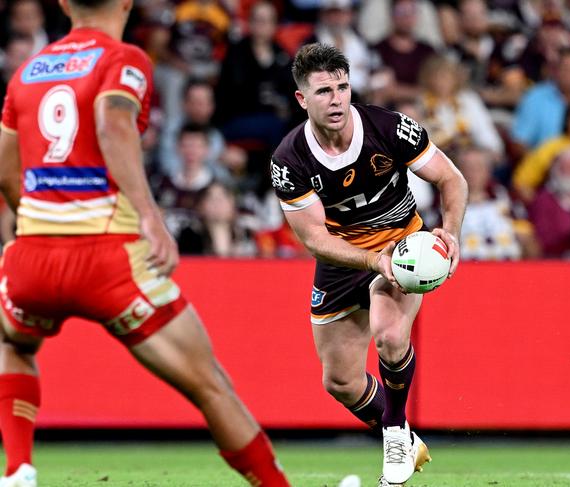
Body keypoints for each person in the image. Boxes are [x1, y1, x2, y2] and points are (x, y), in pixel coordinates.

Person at [0, 1, 291, 486]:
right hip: (107, 259)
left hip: (32, 259)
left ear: (64, 4)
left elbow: (6, 166)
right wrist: (151, 216)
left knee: (12, 342)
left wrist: (35, 218)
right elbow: (113, 126)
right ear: (127, 3)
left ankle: (18, 469)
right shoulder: (123, 58)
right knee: (209, 384)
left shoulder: (28, 70)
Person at [270, 43, 468, 486]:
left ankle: (395, 432)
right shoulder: (289, 160)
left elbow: (451, 177)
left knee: (390, 335)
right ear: (302, 99)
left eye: (342, 87)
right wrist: (370, 261)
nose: (337, 98)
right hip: (343, 258)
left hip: (402, 245)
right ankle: (407, 440)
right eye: (323, 91)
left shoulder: (389, 127)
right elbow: (314, 239)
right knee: (339, 380)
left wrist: (450, 231)